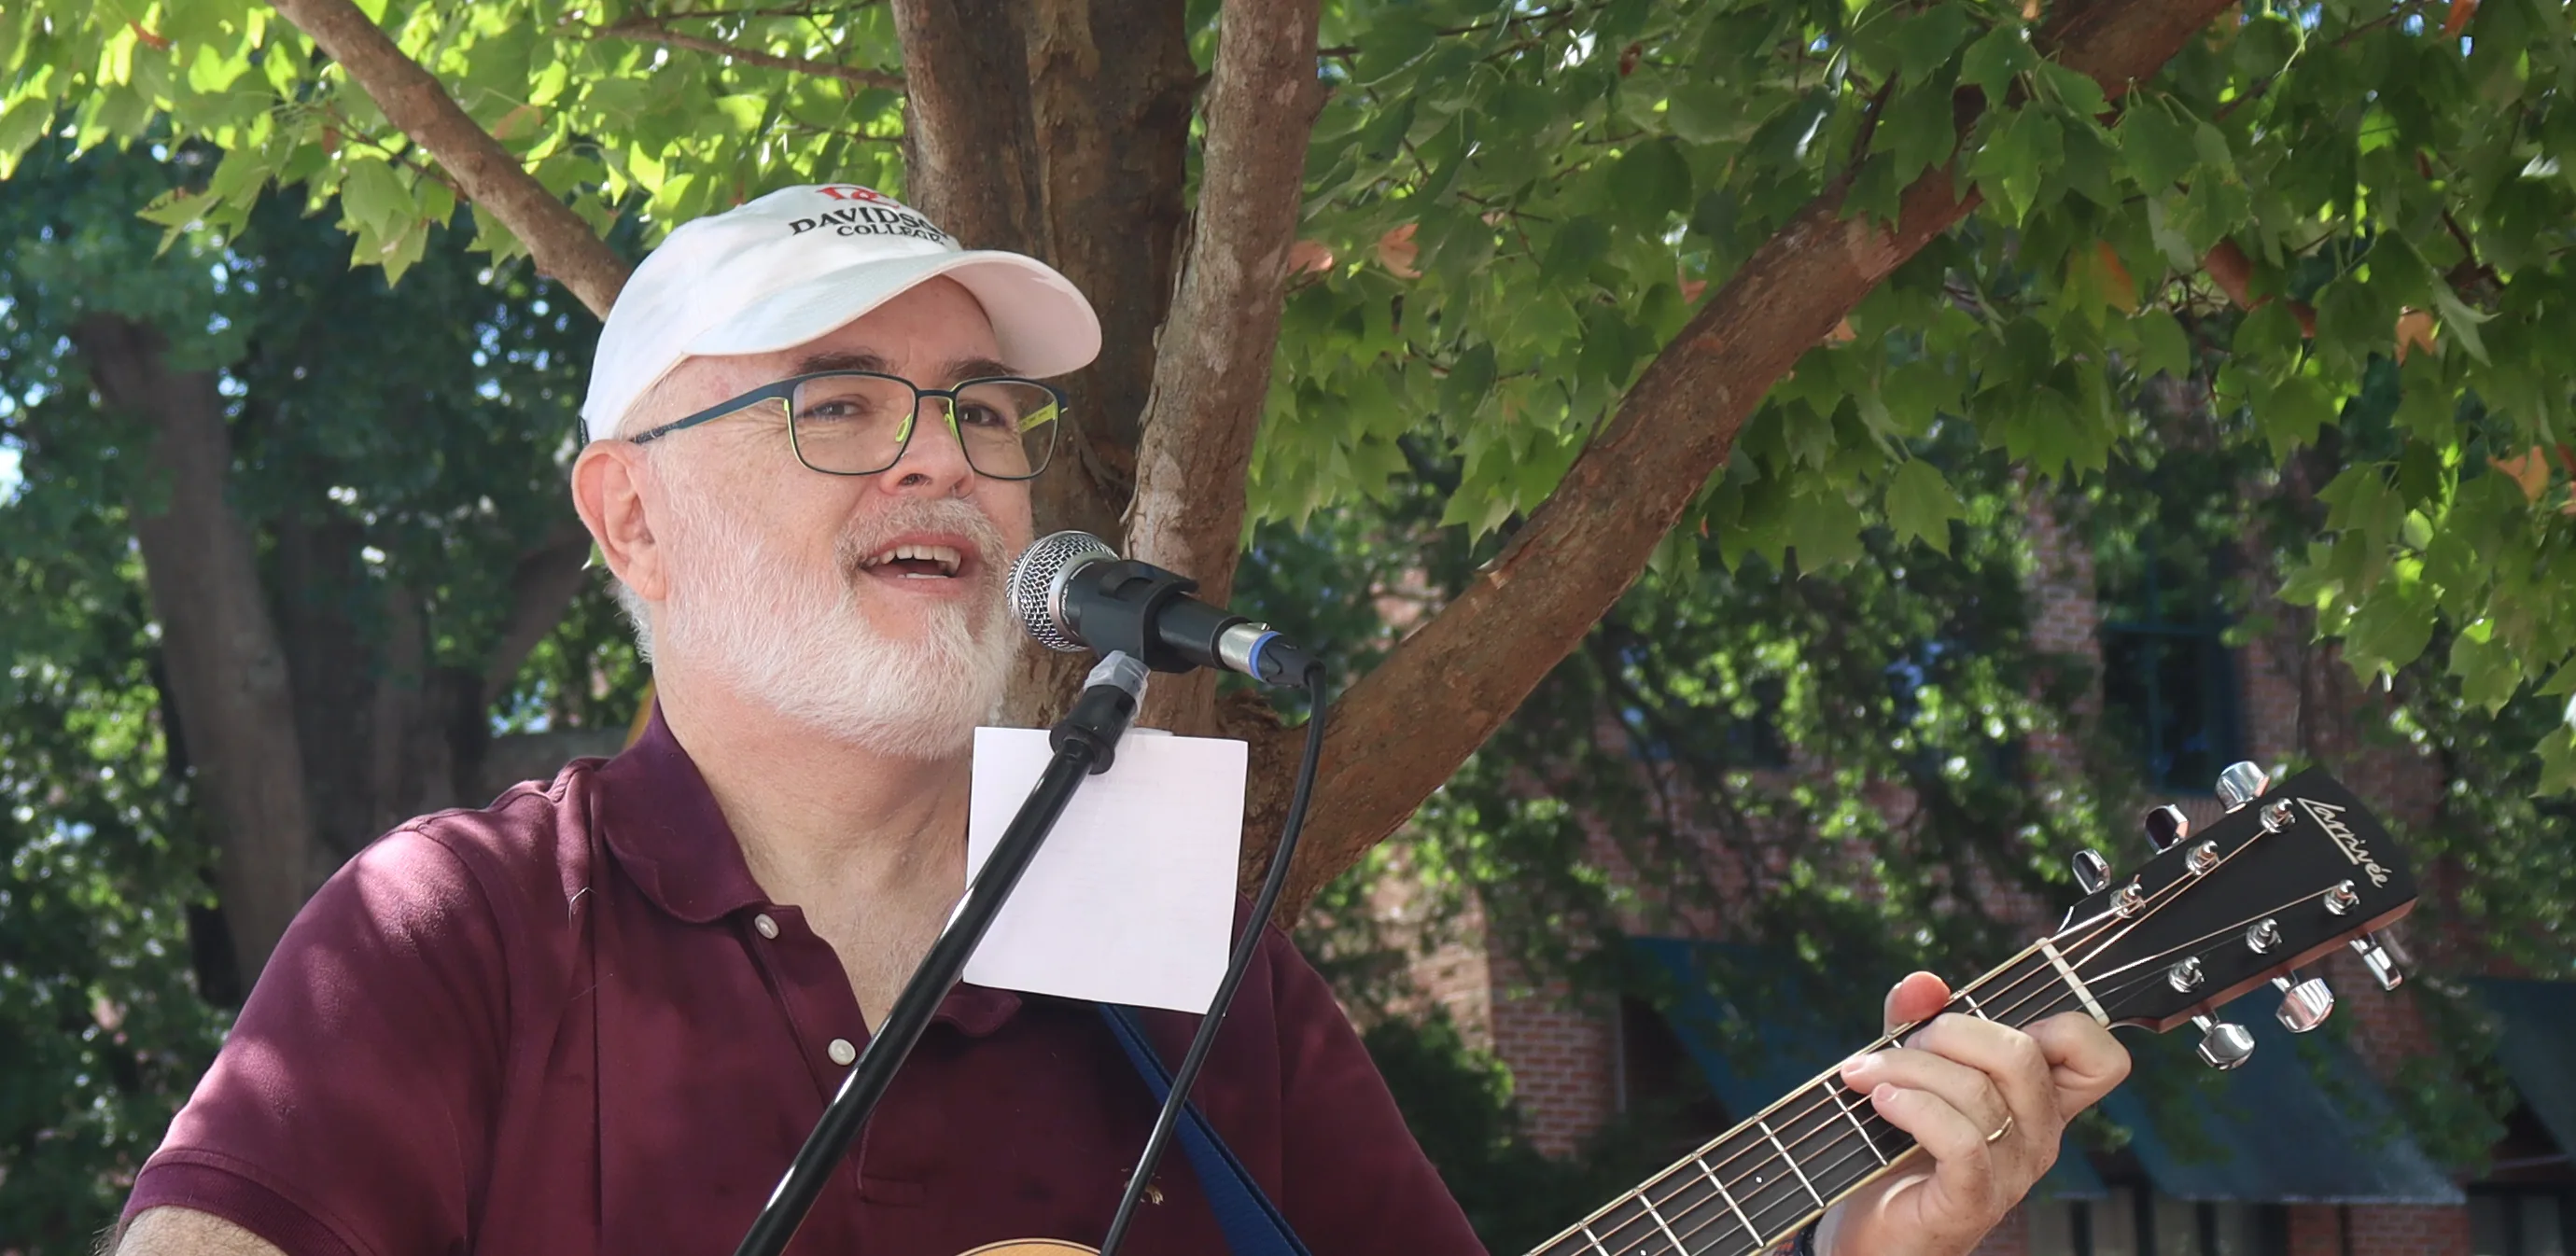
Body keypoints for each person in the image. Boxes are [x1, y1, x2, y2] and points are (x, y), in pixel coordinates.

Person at [110, 185, 2129, 1256]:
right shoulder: (460, 924)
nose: (944, 465)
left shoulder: (1163, 933)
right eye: (836, 399)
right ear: (629, 509)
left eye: (981, 410)